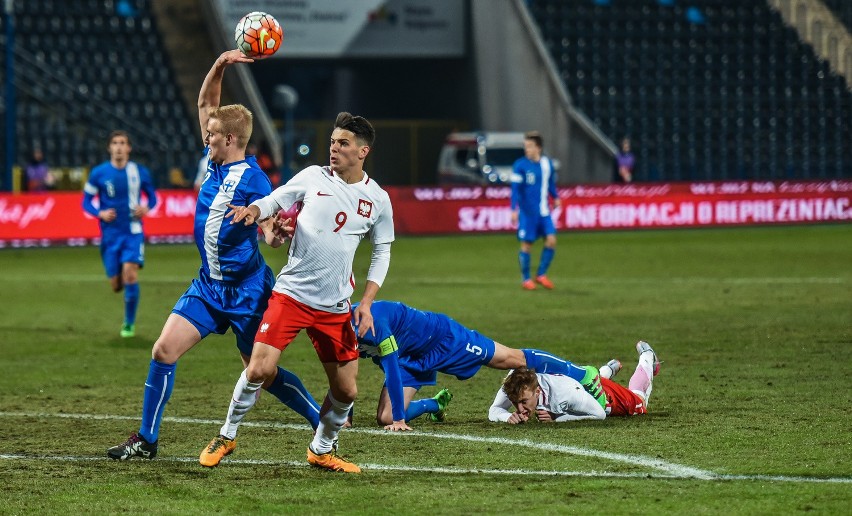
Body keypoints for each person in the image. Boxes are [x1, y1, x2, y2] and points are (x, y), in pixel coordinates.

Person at [106, 49, 320, 461]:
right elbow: (207, 104)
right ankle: (147, 440)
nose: (205, 136)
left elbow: (269, 226)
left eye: (212, 133)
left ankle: (320, 417)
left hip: (247, 291)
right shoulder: (214, 161)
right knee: (163, 350)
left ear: (231, 139)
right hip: (208, 285)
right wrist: (220, 66)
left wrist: (274, 233)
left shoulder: (255, 180)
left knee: (262, 373)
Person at [201, 111, 395, 474]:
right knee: (258, 369)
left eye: (343, 144)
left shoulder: (378, 199)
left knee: (347, 393)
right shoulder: (313, 177)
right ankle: (226, 435)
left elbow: (382, 251)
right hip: (290, 296)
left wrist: (366, 301)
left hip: (336, 307)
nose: (333, 148)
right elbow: (274, 200)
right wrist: (253, 209)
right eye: (333, 141)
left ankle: (322, 449)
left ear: (363, 151)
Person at [349, 300, 607, 429]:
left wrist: (401, 420)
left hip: (443, 338)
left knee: (510, 359)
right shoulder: (339, 333)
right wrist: (344, 417)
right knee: (384, 417)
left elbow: (391, 369)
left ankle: (583, 373)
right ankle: (435, 404)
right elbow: (346, 373)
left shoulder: (370, 322)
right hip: (409, 355)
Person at [83, 131, 157, 338]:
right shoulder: (98, 173)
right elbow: (86, 201)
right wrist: (100, 213)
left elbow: (152, 197)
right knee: (116, 285)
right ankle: (123, 282)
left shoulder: (139, 172)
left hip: (133, 232)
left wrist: (146, 207)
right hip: (110, 236)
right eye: (114, 143)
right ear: (109, 147)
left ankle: (128, 324)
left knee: (130, 273)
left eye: (122, 143)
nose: (118, 147)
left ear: (129, 148)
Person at [489, 341, 661, 424]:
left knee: (639, 403)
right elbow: (494, 410)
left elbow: (599, 414)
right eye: (515, 403)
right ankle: (606, 371)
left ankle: (647, 358)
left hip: (600, 396)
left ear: (538, 392)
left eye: (523, 402)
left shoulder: (564, 392)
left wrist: (558, 417)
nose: (519, 409)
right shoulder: (514, 384)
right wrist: (506, 417)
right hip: (579, 382)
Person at [510, 131, 560, 290]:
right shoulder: (520, 165)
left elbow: (550, 183)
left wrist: (556, 197)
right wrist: (513, 209)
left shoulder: (547, 164)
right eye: (525, 146)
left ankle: (541, 274)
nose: (527, 150)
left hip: (544, 212)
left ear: (538, 148)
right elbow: (515, 190)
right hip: (527, 213)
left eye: (530, 146)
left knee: (551, 241)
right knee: (526, 245)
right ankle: (526, 279)